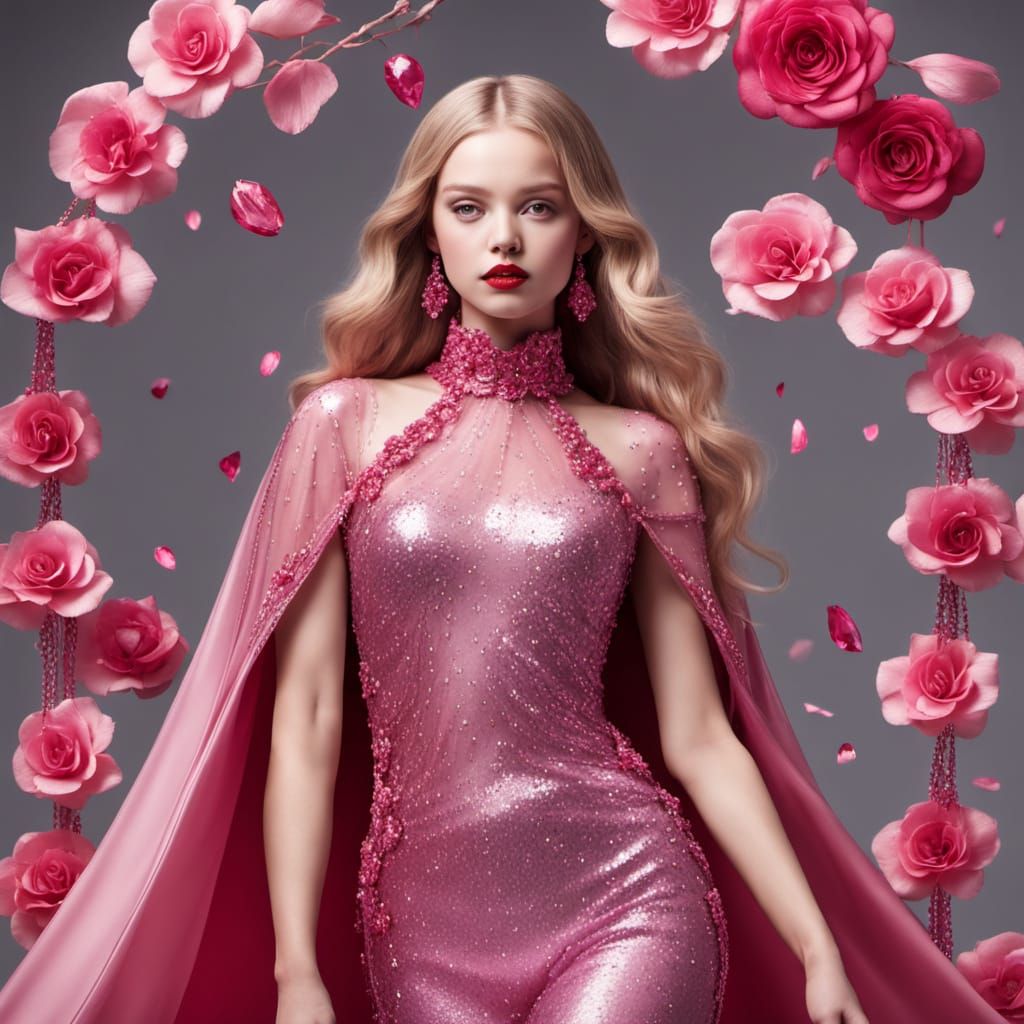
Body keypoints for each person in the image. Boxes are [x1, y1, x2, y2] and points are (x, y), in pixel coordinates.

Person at [0, 74, 1003, 1024]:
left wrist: (816, 943)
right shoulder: (343, 427)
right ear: (428, 231)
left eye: (539, 206)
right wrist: (295, 967)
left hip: (625, 893)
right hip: (419, 928)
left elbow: (701, 736)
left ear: (584, 232)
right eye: (469, 207)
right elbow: (304, 718)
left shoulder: (642, 451)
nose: (504, 238)